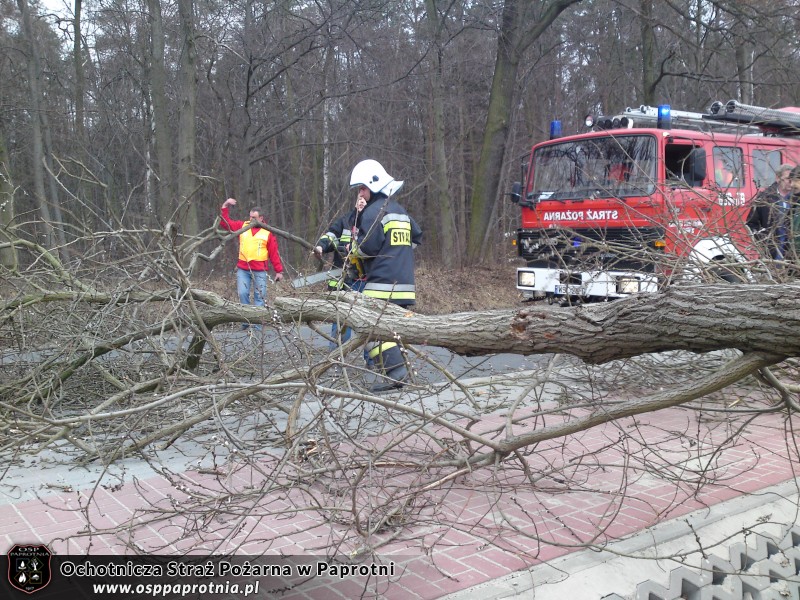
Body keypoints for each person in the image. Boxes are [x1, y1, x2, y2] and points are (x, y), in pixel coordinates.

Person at [349, 159, 422, 392]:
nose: (360, 193)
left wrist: (351, 252)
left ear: (374, 185)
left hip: (382, 285)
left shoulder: (373, 212)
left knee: (370, 330)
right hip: (405, 285)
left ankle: (396, 375)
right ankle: (400, 373)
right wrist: (397, 252)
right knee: (393, 331)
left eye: (362, 188)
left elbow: (367, 247)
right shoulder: (399, 210)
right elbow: (416, 236)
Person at [219, 198, 284, 328]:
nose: (251, 220)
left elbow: (273, 253)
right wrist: (224, 207)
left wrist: (279, 271)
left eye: (254, 218)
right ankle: (245, 321)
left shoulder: (267, 233)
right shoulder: (243, 226)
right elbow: (226, 223)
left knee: (260, 296)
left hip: (260, 269)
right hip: (243, 268)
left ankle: (258, 323)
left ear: (261, 218)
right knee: (243, 293)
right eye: (250, 217)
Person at [312, 198, 368, 345]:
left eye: (364, 199)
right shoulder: (345, 221)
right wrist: (320, 247)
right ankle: (337, 354)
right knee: (342, 318)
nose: (361, 201)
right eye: (359, 199)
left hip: (366, 278)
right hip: (344, 277)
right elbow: (331, 236)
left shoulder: (373, 221)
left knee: (369, 320)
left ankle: (371, 360)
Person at [746, 164, 794, 260]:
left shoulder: (797, 199)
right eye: (787, 178)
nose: (790, 182)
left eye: (793, 179)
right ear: (778, 178)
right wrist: (765, 241)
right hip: (772, 254)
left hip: (793, 255)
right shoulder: (764, 198)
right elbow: (751, 224)